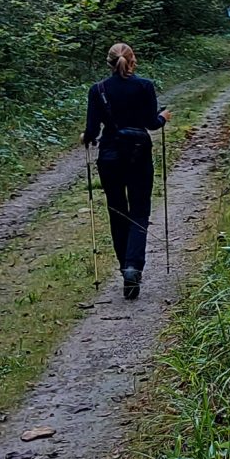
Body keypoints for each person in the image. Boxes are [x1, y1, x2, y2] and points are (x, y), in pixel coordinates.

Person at [82, 42, 169, 299]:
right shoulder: (144, 86)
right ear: (133, 60)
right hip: (138, 151)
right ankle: (133, 266)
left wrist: (85, 137)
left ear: (109, 63)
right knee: (139, 210)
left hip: (109, 155)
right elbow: (151, 123)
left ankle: (124, 268)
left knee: (117, 211)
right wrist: (164, 117)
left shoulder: (97, 90)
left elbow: (91, 131)